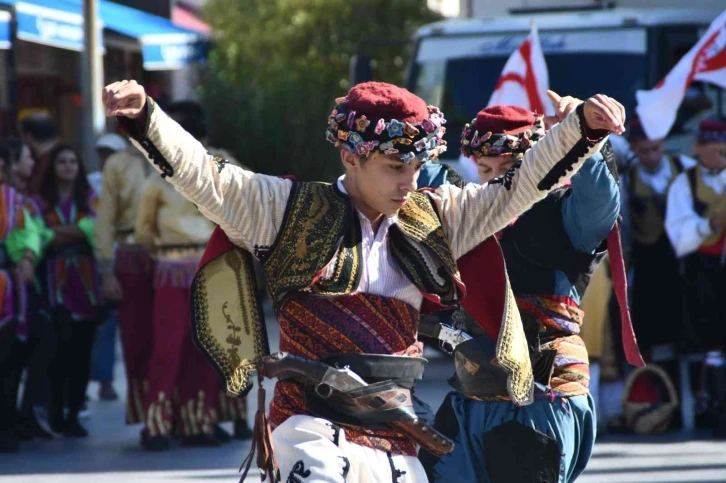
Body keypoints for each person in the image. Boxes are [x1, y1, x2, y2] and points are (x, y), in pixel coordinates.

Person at [103, 78, 624, 482]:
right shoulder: (285, 211)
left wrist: (582, 128)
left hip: (398, 433)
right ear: (350, 156)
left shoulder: (438, 218)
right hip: (309, 422)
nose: (411, 182)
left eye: (419, 166)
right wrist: (147, 116)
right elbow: (206, 177)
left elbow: (518, 187)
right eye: (397, 165)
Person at [417, 102, 640, 483]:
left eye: (509, 170)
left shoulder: (564, 215)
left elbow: (602, 202)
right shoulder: (468, 212)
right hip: (469, 398)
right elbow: (413, 176)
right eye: (485, 170)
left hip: (539, 400)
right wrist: (411, 132)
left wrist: (581, 131)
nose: (496, 182)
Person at [665, 118, 726, 436]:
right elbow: (679, 237)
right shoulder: (684, 184)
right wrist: (708, 225)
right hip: (704, 276)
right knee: (709, 345)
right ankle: (713, 413)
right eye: (713, 147)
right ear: (698, 148)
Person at [620, 119, 696, 368]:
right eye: (644, 151)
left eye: (656, 148)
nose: (651, 156)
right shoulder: (627, 180)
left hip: (682, 259)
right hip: (648, 260)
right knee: (649, 322)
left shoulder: (684, 167)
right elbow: (626, 227)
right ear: (633, 149)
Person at [39, 144, 102, 437]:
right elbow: (37, 236)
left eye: (72, 162)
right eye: (62, 162)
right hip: (54, 284)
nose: (67, 167)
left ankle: (75, 412)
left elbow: (94, 229)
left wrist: (54, 234)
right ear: (54, 167)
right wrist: (73, 232)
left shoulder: (90, 198)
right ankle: (55, 411)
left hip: (86, 285)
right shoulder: (40, 202)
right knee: (57, 352)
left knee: (82, 353)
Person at [94, 142, 155, 426]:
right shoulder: (116, 164)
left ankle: (185, 417)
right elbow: (104, 220)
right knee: (136, 339)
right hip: (131, 256)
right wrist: (107, 271)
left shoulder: (177, 156)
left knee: (180, 340)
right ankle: (149, 416)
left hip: (175, 255)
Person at [0, 141, 42, 451]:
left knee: (9, 357)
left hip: (6, 286)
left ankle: (9, 423)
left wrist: (27, 255)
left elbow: (30, 233)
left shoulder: (14, 200)